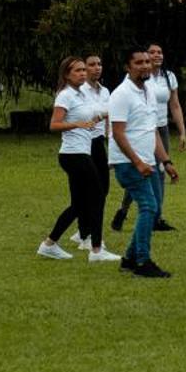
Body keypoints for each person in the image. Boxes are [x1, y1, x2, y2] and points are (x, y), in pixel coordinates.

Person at [39, 56, 120, 263]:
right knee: (98, 196)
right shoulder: (65, 95)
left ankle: (49, 244)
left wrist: (110, 113)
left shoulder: (81, 95)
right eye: (78, 70)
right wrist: (78, 125)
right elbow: (54, 125)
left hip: (80, 154)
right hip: (73, 155)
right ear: (66, 74)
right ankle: (96, 249)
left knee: (79, 204)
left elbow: (92, 116)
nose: (83, 73)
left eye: (84, 70)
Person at [107, 44, 178, 277]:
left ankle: (129, 259)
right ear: (128, 67)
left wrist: (166, 162)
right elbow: (117, 133)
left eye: (147, 62)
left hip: (147, 160)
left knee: (152, 208)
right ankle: (142, 262)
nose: (145, 66)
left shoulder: (148, 90)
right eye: (139, 63)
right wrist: (137, 162)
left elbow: (152, 130)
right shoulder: (121, 94)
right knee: (149, 207)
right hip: (128, 163)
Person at [113, 41, 186, 234]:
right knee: (141, 175)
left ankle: (157, 217)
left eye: (159, 52)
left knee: (158, 172)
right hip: (139, 133)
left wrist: (182, 132)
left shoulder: (168, 78)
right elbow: (118, 128)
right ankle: (124, 210)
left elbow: (175, 105)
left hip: (158, 129)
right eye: (151, 53)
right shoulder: (134, 85)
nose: (156, 56)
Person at [82, 53, 112, 246]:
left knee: (104, 187)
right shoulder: (80, 91)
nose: (97, 68)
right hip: (85, 142)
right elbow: (90, 115)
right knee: (89, 189)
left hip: (100, 141)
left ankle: (86, 228)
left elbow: (109, 118)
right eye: (92, 64)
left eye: (99, 64)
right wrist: (101, 114)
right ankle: (86, 234)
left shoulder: (105, 91)